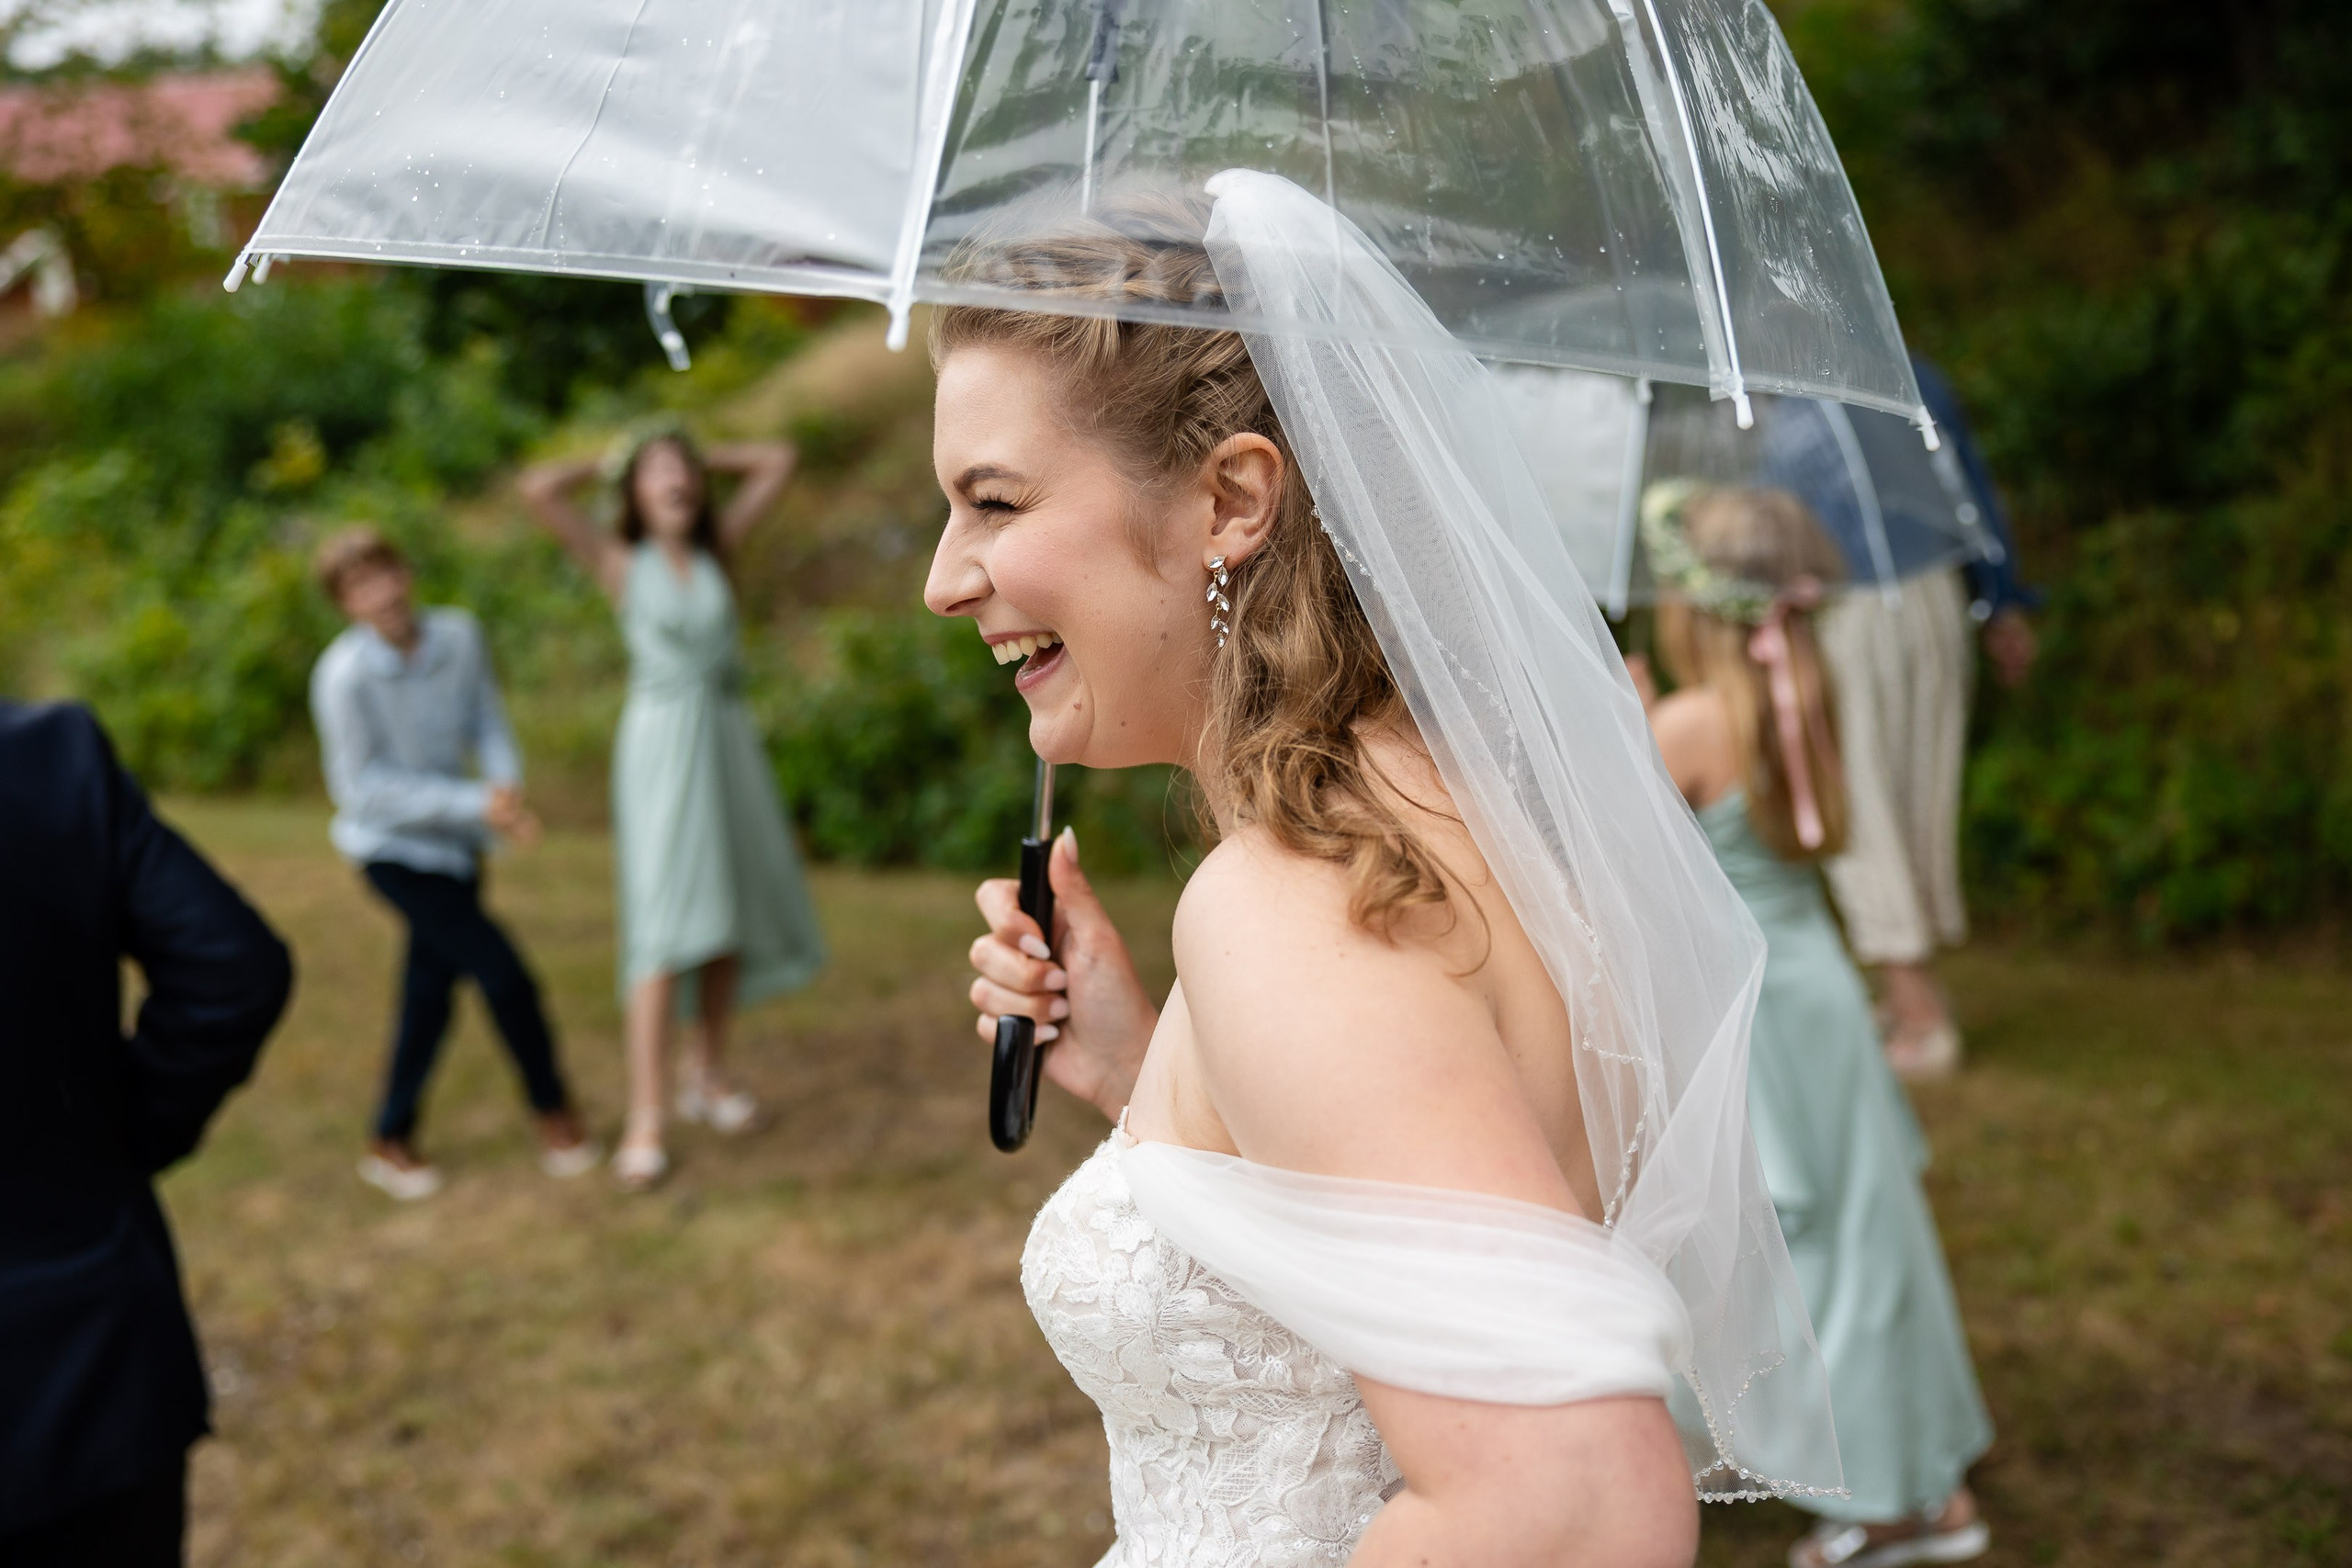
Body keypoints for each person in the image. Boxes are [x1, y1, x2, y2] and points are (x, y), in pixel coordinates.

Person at [936, 175, 1842, 1565]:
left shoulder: (1293, 904)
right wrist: (1147, 1076)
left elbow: (1574, 1499)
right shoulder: (1445, 816)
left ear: (1232, 497)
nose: (945, 577)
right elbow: (1400, 1214)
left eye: (993, 501)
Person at [1631, 482, 1996, 1568]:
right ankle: (1870, 1460)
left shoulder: (1689, 725)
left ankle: (1896, 1508)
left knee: (1784, 1249)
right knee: (1861, 1243)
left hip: (1751, 1010)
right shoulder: (1807, 695)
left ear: (1695, 607)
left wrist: (1623, 732)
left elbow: (1625, 878)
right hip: (1818, 993)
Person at [0, 700, 292, 1566]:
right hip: (88, 1367)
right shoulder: (46, 755)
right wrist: (113, 1143)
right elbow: (230, 967)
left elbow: (233, 971)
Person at [520, 426, 825, 1190]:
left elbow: (775, 457)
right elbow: (538, 490)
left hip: (725, 737)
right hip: (660, 748)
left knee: (724, 915)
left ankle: (708, 1075)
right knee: (660, 933)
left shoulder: (718, 552)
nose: (675, 480)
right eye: (656, 473)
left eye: (683, 470)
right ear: (632, 492)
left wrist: (692, 457)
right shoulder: (619, 561)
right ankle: (646, 1115)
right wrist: (622, 457)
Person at [311, 526, 597, 1199]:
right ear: (345, 604)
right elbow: (361, 790)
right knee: (506, 978)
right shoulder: (342, 677)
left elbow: (487, 719)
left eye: (385, 574)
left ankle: (390, 1136)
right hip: (392, 853)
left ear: (406, 572)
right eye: (359, 587)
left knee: (428, 997)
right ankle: (554, 1111)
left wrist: (503, 785)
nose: (380, 594)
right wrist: (474, 802)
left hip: (459, 847)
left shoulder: (460, 636)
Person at [1810, 361, 2037, 1080]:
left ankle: (1920, 1013)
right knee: (1910, 792)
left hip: (1847, 610)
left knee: (1860, 802)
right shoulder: (1902, 370)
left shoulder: (1775, 400)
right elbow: (1967, 487)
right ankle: (1906, 989)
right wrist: (1998, 598)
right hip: (1936, 597)